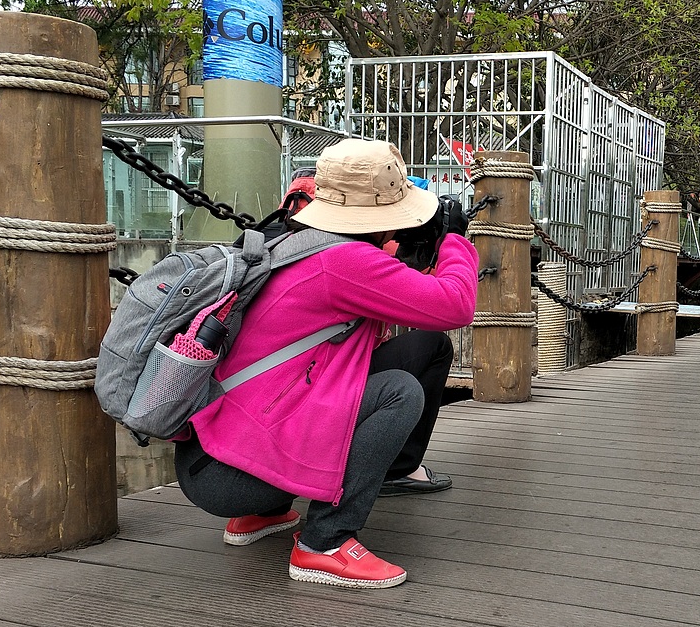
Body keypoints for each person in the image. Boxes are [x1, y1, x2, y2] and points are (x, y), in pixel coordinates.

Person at [174, 138, 478, 588]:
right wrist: (454, 241)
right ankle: (325, 541)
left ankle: (265, 514)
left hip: (211, 454)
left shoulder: (301, 243)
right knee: (399, 392)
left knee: (426, 347)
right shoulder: (346, 262)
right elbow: (454, 304)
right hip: (230, 475)